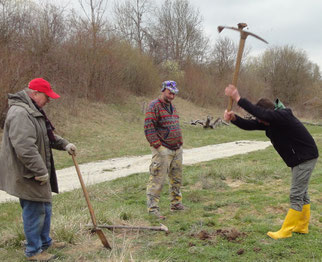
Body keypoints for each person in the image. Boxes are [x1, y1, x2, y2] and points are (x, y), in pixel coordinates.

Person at [224, 84, 319, 240]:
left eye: (262, 117)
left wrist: (238, 98)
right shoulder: (270, 121)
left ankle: (286, 231)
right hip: (300, 158)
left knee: (296, 195)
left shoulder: (282, 116)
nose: (260, 121)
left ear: (268, 113)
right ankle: (302, 226)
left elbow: (261, 114)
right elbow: (250, 125)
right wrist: (234, 118)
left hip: (305, 157)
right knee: (302, 193)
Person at [0, 78, 77, 261]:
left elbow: (45, 136)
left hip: (36, 172)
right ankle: (33, 252)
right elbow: (25, 148)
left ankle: (45, 242)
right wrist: (40, 171)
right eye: (46, 96)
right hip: (27, 173)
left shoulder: (33, 111)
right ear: (34, 94)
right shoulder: (20, 113)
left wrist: (64, 144)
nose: (49, 100)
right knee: (34, 210)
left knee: (45, 206)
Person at [144, 80, 184, 219]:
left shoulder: (172, 106)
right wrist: (158, 146)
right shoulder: (153, 106)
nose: (172, 96)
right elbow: (149, 128)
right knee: (157, 179)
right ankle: (152, 209)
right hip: (162, 149)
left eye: (174, 93)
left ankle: (176, 204)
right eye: (169, 93)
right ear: (163, 90)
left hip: (177, 149)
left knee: (176, 179)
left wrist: (180, 144)